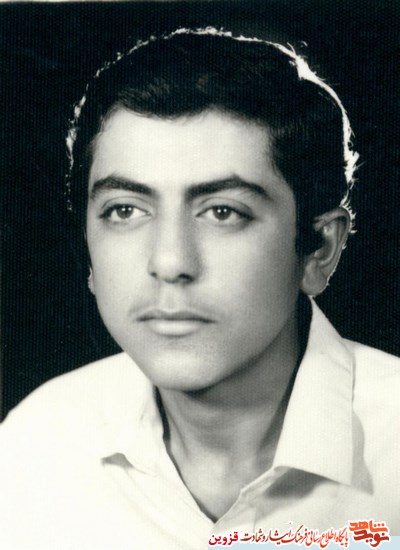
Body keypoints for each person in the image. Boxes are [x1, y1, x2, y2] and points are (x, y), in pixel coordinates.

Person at [1, 28, 399, 549]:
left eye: (223, 212)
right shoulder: (32, 447)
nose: (169, 263)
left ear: (319, 249)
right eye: (125, 210)